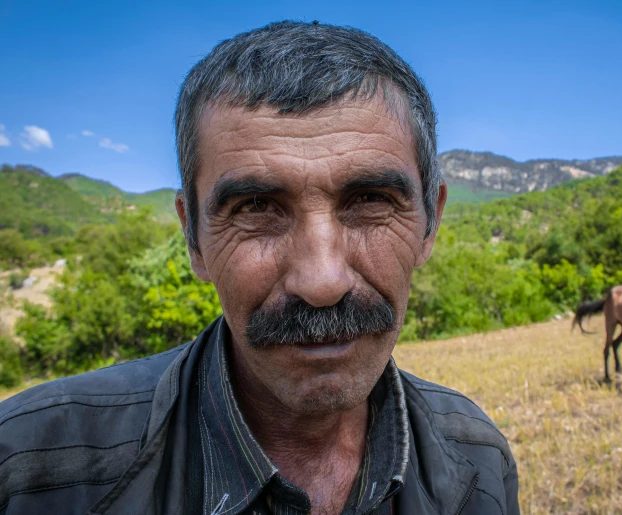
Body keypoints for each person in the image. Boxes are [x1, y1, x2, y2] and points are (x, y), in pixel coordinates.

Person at [0, 21, 519, 515]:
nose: (322, 282)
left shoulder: (478, 458)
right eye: (254, 207)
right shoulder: (29, 468)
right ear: (193, 237)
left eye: (370, 200)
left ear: (430, 223)